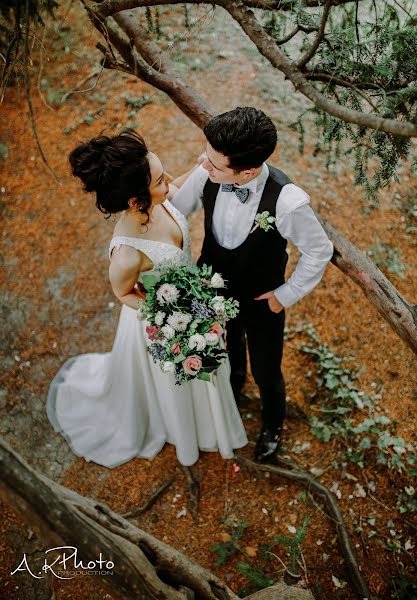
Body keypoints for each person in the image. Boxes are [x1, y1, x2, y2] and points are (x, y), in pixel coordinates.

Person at [46, 130, 247, 469]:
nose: (168, 180)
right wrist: (167, 313)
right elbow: (122, 292)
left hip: (193, 301)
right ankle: (189, 431)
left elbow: (178, 187)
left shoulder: (157, 197)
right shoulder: (126, 255)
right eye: (159, 179)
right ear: (133, 200)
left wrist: (205, 165)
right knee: (178, 385)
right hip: (165, 323)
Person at [171, 107, 334, 464]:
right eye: (207, 157)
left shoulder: (288, 201)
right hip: (213, 287)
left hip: (263, 299)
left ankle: (272, 422)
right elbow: (176, 208)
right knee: (226, 347)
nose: (204, 165)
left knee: (267, 367)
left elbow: (319, 251)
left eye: (214, 164)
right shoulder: (206, 173)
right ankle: (233, 385)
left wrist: (284, 295)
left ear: (247, 170)